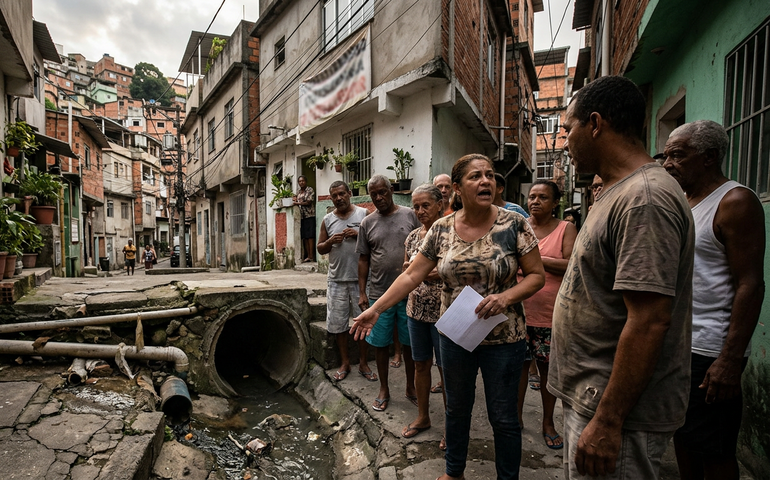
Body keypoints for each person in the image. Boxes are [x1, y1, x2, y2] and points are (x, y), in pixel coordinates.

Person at [352, 154, 546, 480]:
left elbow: (536, 276)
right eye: (475, 177)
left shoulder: (514, 223)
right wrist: (375, 308)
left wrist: (505, 297)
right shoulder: (442, 229)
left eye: (489, 175)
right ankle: (454, 473)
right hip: (456, 337)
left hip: (505, 339)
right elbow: (411, 276)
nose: (485, 181)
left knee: (503, 416)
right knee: (456, 409)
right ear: (456, 188)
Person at [549, 75, 695, 479]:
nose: (564, 142)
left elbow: (649, 320)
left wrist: (609, 420)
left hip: (617, 414)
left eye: (567, 130)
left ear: (595, 124)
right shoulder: (616, 192)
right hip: (593, 398)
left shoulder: (644, 199)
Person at [662, 120, 765, 480]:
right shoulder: (684, 202)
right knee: (684, 435)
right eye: (666, 155)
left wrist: (730, 359)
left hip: (711, 351)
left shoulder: (735, 202)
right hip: (679, 344)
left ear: (708, 157)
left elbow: (751, 284)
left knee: (715, 448)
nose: (667, 164)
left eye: (677, 155)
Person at [516, 180, 577, 450]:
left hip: (550, 317)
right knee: (516, 370)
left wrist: (534, 261)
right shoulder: (519, 226)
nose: (535, 201)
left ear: (555, 203)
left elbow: (571, 264)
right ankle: (515, 418)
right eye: (532, 197)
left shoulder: (566, 228)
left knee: (547, 374)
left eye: (543, 197)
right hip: (518, 314)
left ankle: (548, 423)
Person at [356, 174, 421, 412]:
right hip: (379, 293)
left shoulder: (410, 215)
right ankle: (384, 388)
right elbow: (363, 259)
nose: (379, 197)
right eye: (374, 194)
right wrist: (362, 292)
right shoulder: (367, 223)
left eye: (382, 192)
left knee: (410, 343)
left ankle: (411, 387)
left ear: (392, 190)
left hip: (409, 291)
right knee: (380, 344)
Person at [400, 184, 447, 450]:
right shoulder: (413, 237)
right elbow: (406, 273)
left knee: (447, 370)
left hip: (444, 313)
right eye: (416, 206)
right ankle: (423, 417)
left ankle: (451, 427)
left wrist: (428, 272)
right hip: (415, 311)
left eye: (425, 205)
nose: (420, 211)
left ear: (440, 204)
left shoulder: (452, 234)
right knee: (420, 364)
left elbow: (454, 270)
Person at [317, 181, 377, 383]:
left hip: (361, 281)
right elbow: (320, 248)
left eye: (342, 194)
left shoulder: (364, 214)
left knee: (363, 322)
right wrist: (330, 242)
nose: (339, 198)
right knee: (338, 324)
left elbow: (375, 241)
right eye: (334, 196)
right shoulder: (327, 219)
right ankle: (344, 363)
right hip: (336, 279)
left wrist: (358, 234)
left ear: (350, 194)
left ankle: (363, 363)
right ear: (331, 198)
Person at [294, 175, 316, 262]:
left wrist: (297, 203)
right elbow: (295, 199)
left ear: (306, 182)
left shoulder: (310, 190)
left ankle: (311, 255)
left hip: (309, 215)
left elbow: (309, 202)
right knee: (305, 237)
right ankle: (307, 255)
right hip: (301, 216)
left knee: (310, 236)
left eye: (303, 181)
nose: (301, 182)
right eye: (299, 181)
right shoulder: (298, 192)